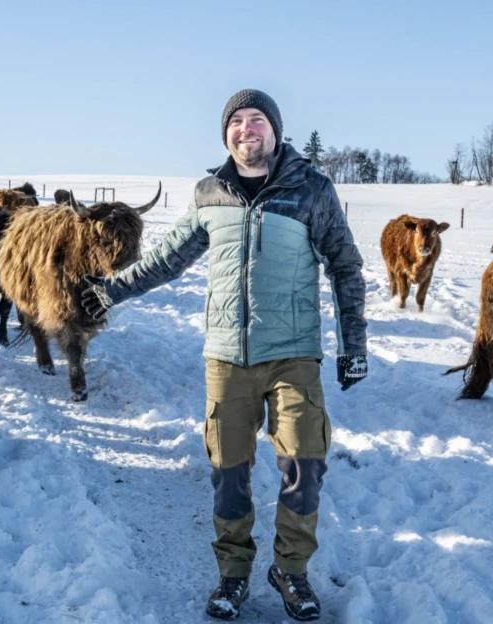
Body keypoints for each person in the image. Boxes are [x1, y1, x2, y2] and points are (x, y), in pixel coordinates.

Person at [79, 88, 367, 621]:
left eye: (257, 119)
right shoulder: (211, 192)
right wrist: (111, 289)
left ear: (275, 130)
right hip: (226, 359)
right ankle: (233, 574)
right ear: (226, 134)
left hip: (294, 354)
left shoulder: (311, 189)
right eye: (236, 121)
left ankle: (291, 571)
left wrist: (355, 345)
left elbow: (345, 267)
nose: (246, 129)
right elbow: (169, 258)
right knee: (228, 471)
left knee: (305, 463)